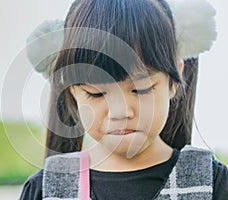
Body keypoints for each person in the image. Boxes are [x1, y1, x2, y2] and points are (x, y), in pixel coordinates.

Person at [21, 0, 228, 199]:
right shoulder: (44, 188)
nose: (120, 111)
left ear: (173, 81)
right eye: (96, 93)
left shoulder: (212, 182)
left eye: (141, 89)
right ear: (73, 90)